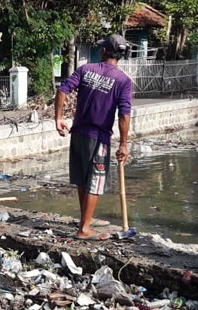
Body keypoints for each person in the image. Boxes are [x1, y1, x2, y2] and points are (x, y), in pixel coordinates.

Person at [54, 34, 132, 241]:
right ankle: (84, 228)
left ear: (104, 51)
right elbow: (124, 114)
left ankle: (85, 219)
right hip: (98, 138)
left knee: (82, 179)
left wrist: (58, 118)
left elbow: (62, 90)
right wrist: (124, 144)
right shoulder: (123, 81)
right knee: (94, 183)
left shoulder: (86, 70)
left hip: (78, 134)